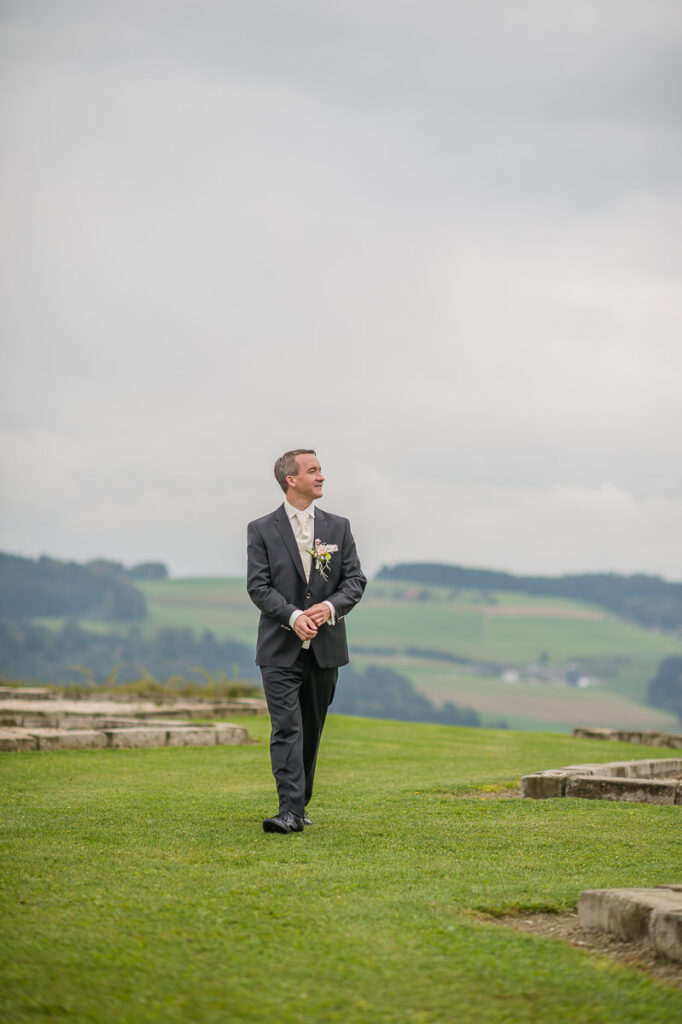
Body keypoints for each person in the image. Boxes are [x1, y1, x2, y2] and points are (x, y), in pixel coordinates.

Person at [247, 449, 366, 834]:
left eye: (321, 470)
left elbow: (355, 581)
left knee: (311, 730)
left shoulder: (339, 528)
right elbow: (258, 587)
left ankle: (299, 804)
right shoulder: (261, 529)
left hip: (325, 648)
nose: (322, 477)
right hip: (279, 649)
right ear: (291, 480)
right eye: (313, 471)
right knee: (286, 727)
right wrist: (293, 616)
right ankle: (289, 811)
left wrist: (330, 607)